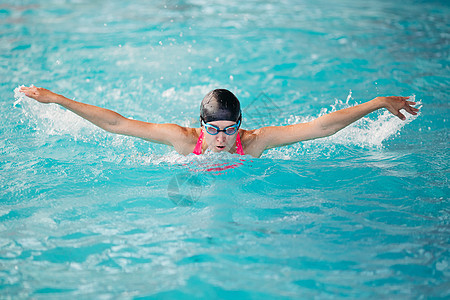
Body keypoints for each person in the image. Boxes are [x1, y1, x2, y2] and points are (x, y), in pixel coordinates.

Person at [19, 86, 419, 158]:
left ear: (240, 125)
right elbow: (118, 124)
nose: (222, 139)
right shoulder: (182, 140)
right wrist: (57, 100)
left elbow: (321, 127)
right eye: (214, 130)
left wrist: (378, 103)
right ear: (200, 125)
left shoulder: (257, 141)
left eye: (230, 130)